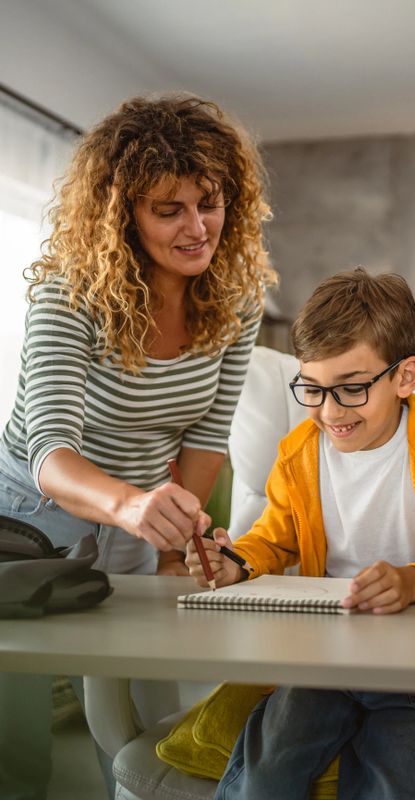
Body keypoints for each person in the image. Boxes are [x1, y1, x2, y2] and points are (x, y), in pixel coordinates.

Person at [0, 94, 274, 799]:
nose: (197, 228)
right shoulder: (69, 294)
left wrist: (174, 540)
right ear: (123, 216)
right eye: (169, 210)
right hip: (28, 519)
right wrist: (132, 507)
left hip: (137, 511)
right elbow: (50, 450)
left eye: (209, 203)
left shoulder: (235, 299)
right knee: (18, 736)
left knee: (136, 719)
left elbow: (207, 435)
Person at [186, 268, 415, 800]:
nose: (330, 411)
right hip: (322, 656)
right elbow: (273, 539)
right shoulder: (298, 453)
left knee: (410, 765)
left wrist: (414, 581)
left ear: (405, 377)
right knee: (271, 763)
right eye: (312, 389)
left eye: (352, 388)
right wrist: (234, 562)